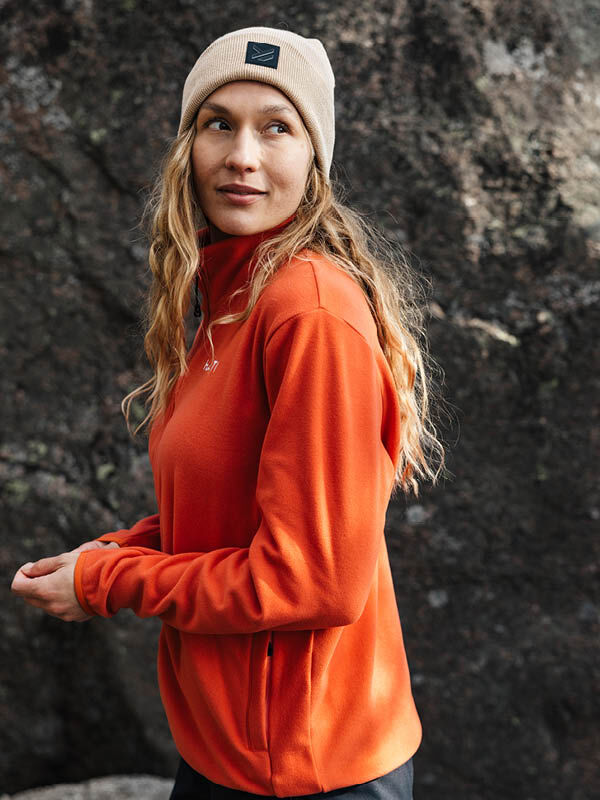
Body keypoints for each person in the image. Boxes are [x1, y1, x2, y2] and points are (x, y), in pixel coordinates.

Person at [11, 26, 445, 800]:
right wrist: (112, 553)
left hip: (308, 771)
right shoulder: (230, 300)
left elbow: (315, 581)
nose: (243, 155)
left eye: (278, 127)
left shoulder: (308, 313)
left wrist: (114, 578)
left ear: (315, 161)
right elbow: (236, 519)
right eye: (220, 123)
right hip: (225, 755)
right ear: (189, 146)